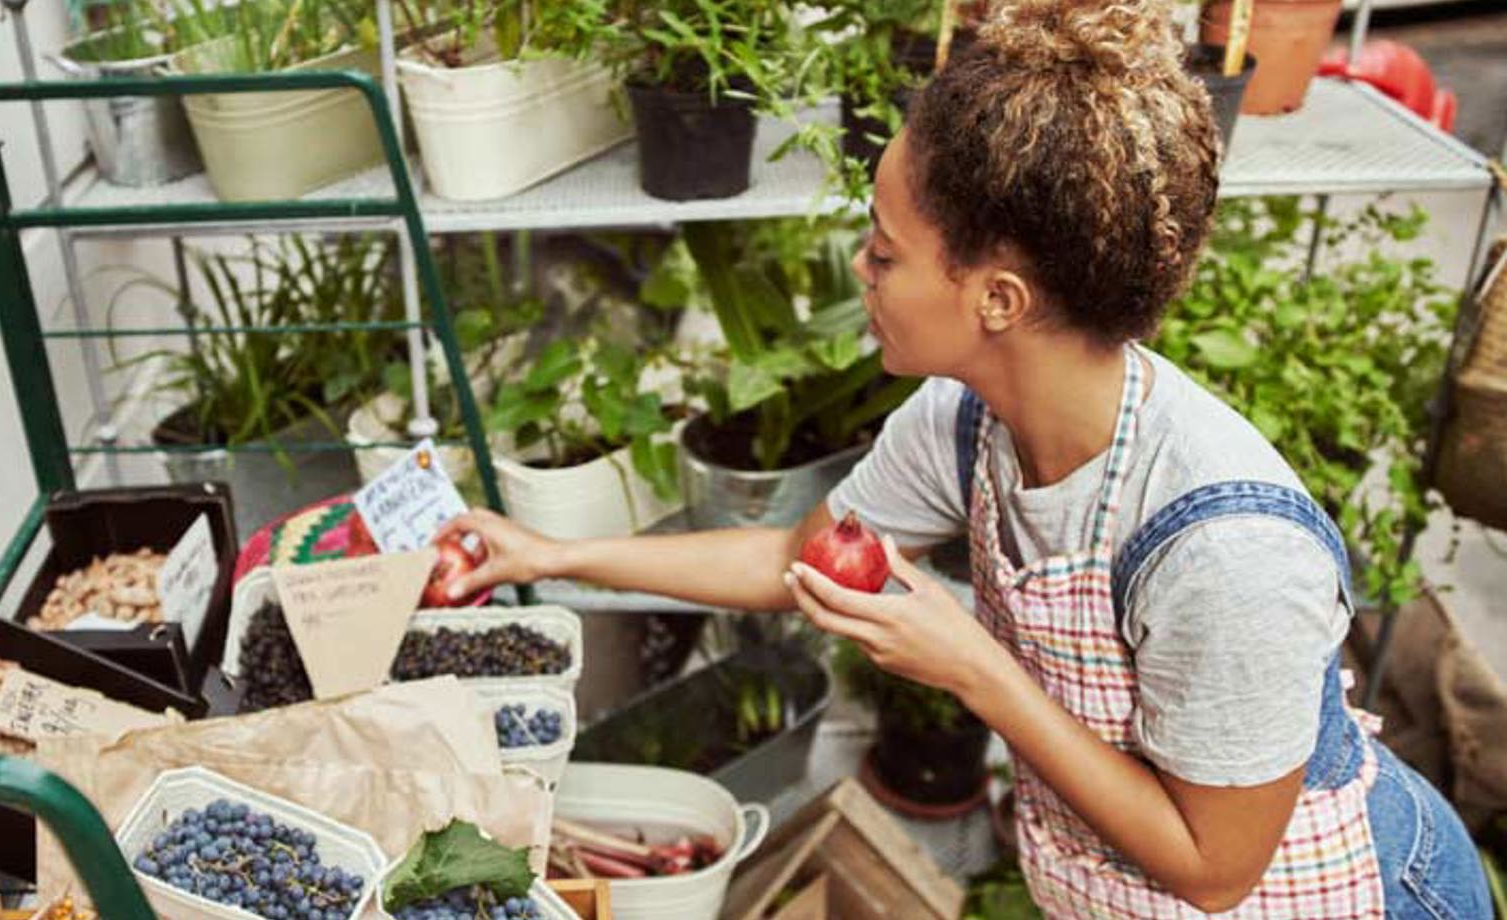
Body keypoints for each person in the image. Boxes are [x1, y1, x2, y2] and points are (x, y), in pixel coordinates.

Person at [434, 2, 1490, 916]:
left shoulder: (1226, 542)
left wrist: (977, 664)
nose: (862, 268)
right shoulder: (963, 419)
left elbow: (1217, 867)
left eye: (885, 252)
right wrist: (542, 551)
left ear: (998, 299)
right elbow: (789, 561)